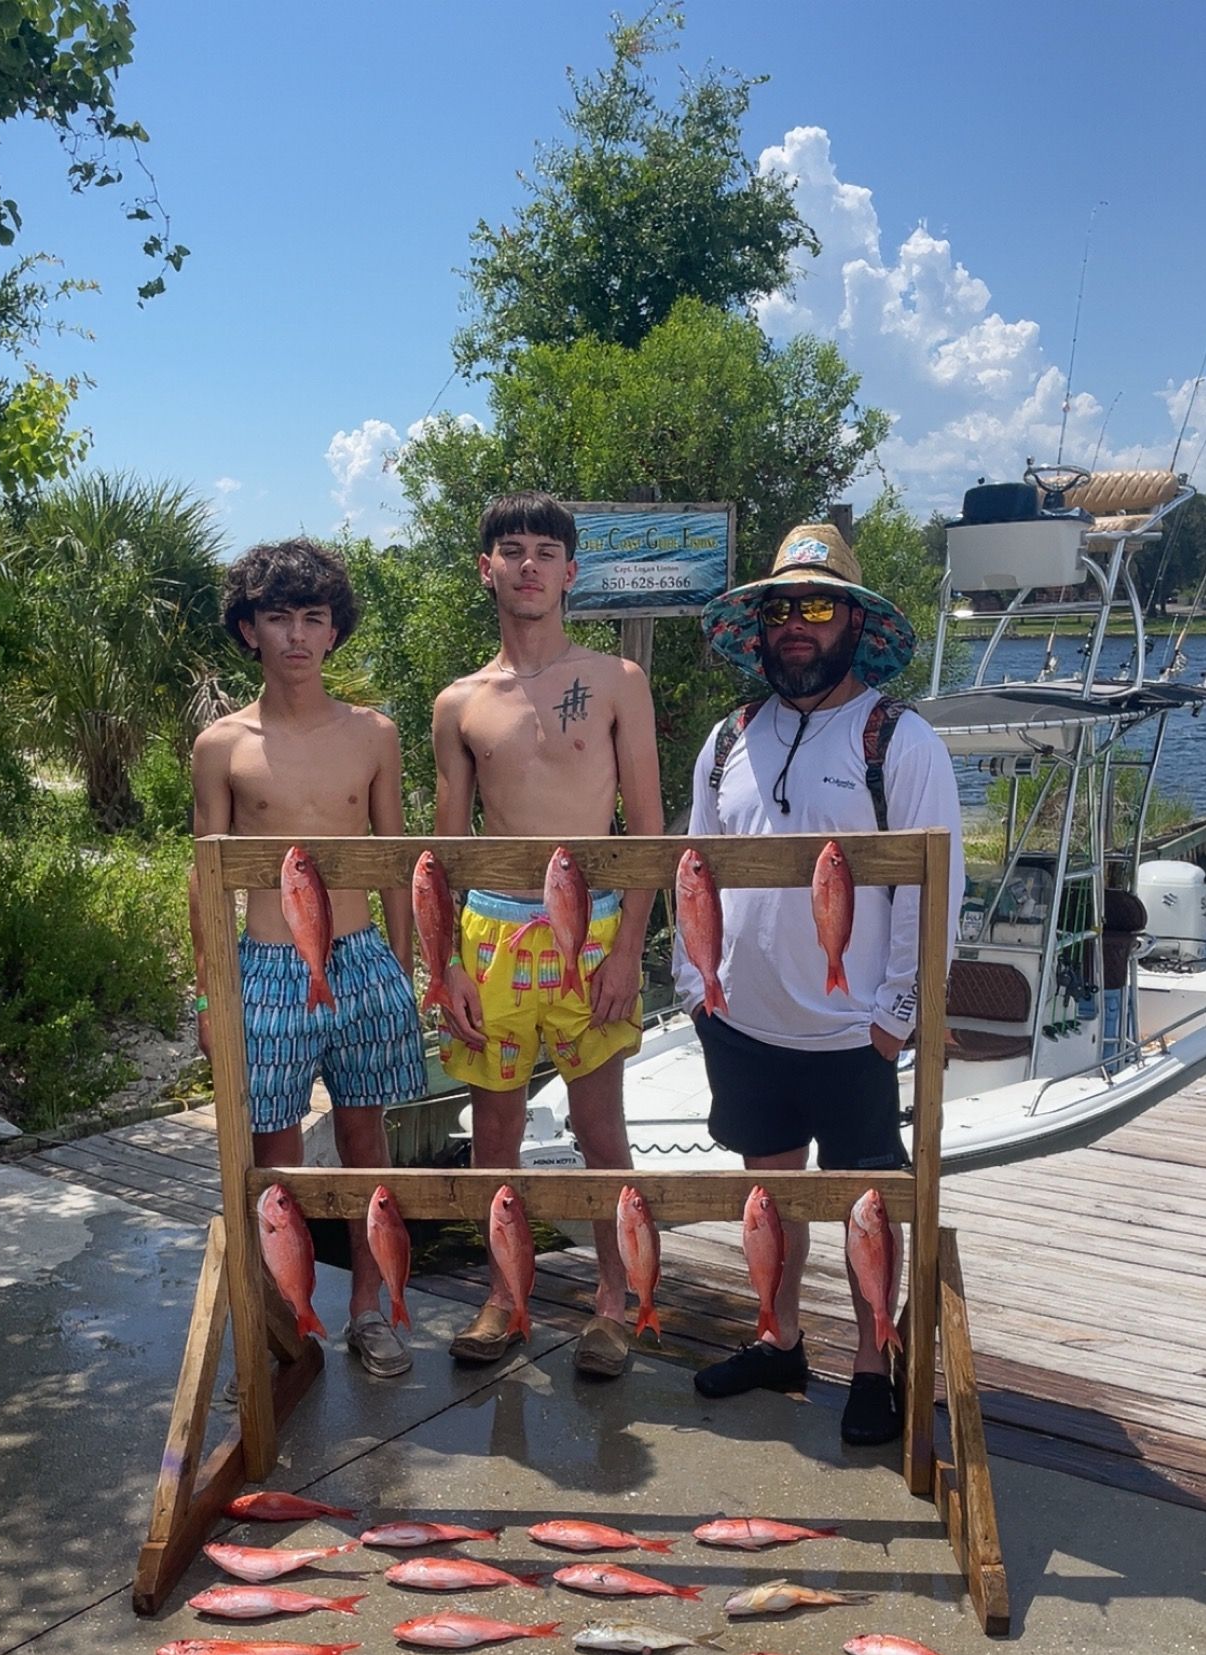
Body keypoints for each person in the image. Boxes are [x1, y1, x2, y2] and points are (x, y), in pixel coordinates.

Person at [676, 522, 965, 1445]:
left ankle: (874, 1362)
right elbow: (694, 868)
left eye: (817, 606)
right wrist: (694, 983)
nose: (795, 625)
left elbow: (938, 884)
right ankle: (781, 1337)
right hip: (744, 1022)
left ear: (853, 622)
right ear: (758, 628)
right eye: (779, 609)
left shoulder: (899, 739)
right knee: (772, 1196)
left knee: (867, 1209)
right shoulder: (727, 740)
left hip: (853, 1035)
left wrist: (896, 1018)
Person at [433, 492, 664, 1378]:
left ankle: (613, 1299)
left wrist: (628, 949)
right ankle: (506, 1299)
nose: (528, 565)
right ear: (485, 569)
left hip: (589, 929)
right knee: (495, 1137)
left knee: (600, 1129)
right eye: (511, 550)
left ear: (571, 573)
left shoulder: (615, 682)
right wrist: (447, 959)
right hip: (491, 937)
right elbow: (449, 847)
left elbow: (646, 829)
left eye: (545, 552)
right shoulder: (460, 702)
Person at [189, 537, 425, 1379]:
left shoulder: (375, 734)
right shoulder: (222, 744)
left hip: (362, 962)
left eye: (312, 617)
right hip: (265, 966)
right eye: (278, 617)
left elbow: (398, 860)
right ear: (248, 630)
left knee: (368, 1141)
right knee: (274, 1152)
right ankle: (289, 1317)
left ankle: (371, 1308)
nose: (296, 634)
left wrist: (405, 968)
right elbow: (205, 877)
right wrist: (213, 997)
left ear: (334, 632)